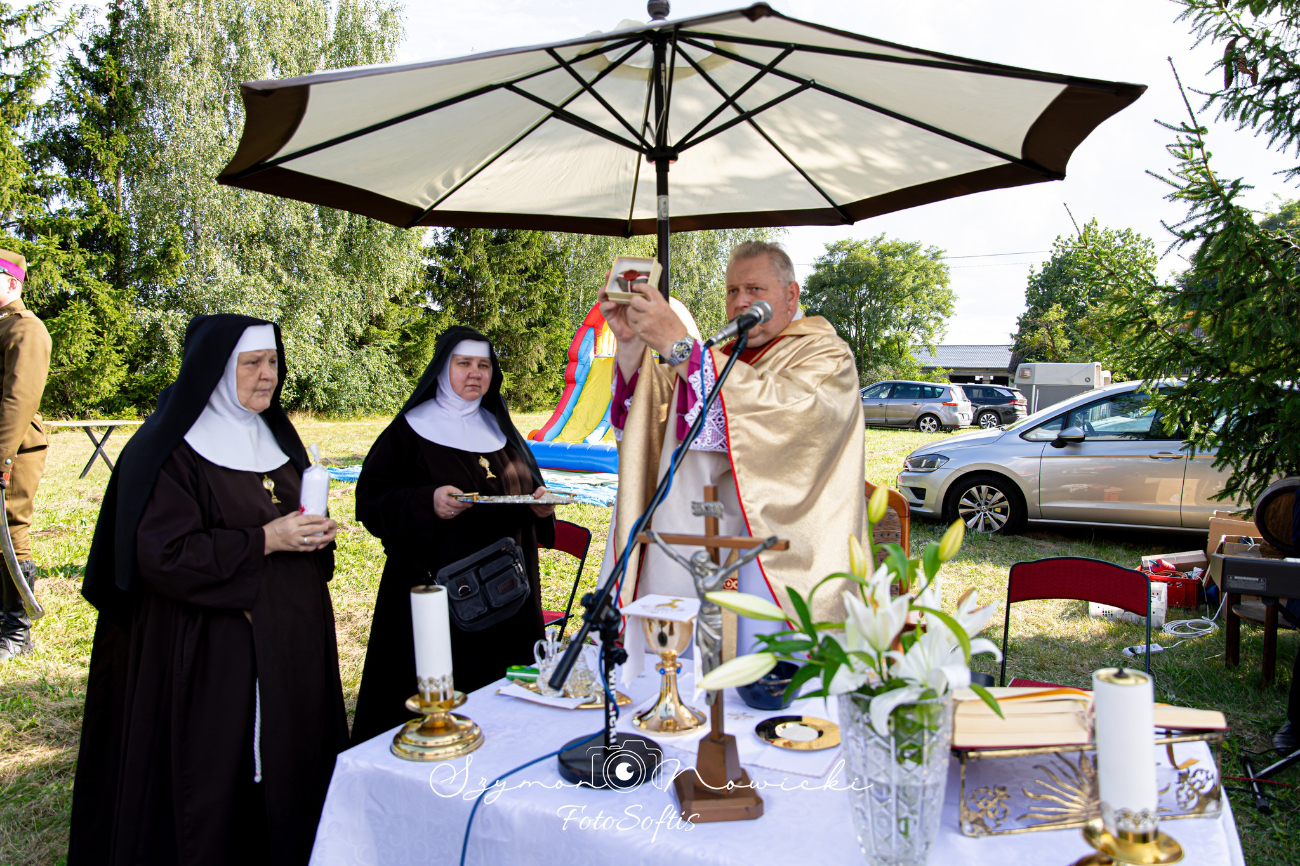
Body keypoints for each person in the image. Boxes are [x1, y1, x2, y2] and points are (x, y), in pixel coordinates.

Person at [68, 315, 348, 866]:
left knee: (289, 761)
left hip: (289, 638)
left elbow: (292, 516)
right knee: (216, 774)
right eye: (253, 364)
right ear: (218, 371)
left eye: (273, 363)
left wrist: (315, 532)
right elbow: (162, 555)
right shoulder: (168, 450)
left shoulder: (277, 437)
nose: (268, 376)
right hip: (208, 646)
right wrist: (264, 540)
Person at [602, 241, 865, 654]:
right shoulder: (723, 355)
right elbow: (663, 417)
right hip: (705, 533)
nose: (741, 301)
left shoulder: (825, 353)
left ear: (791, 295)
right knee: (689, 667)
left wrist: (683, 348)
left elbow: (790, 417)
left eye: (755, 290)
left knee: (764, 669)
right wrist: (632, 343)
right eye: (732, 291)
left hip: (781, 543)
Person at [350, 326, 555, 746]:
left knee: (505, 717)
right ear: (443, 369)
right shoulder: (409, 431)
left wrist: (541, 504)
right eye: (463, 363)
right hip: (437, 593)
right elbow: (370, 502)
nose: (475, 373)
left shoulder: (500, 428)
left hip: (508, 594)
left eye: (483, 365)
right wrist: (428, 502)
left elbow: (530, 486)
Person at [0, 248, 51, 661]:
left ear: (13, 283)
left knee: (10, 529)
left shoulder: (26, 329)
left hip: (14, 447)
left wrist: (1, 457)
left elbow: (18, 400)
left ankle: (18, 631)